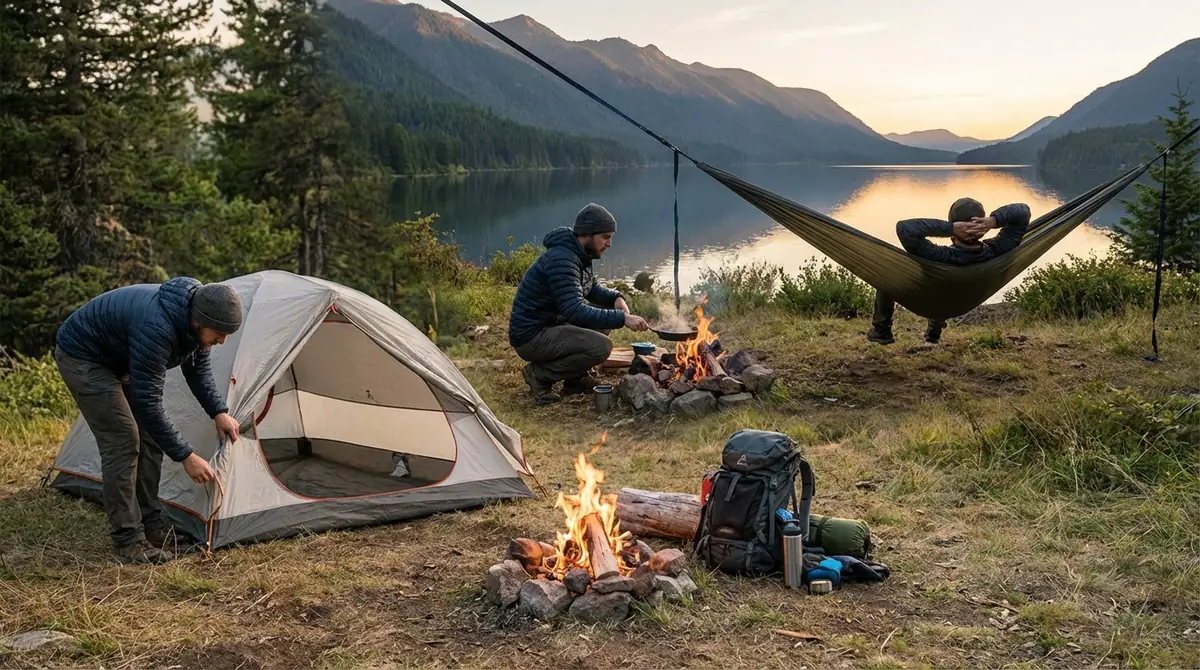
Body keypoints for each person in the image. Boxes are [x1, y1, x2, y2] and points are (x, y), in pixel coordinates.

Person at [53, 277, 244, 564]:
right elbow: (148, 403)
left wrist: (219, 411)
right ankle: (128, 540)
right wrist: (186, 456)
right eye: (219, 333)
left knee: (150, 436)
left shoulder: (194, 323)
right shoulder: (157, 327)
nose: (222, 340)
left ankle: (152, 525)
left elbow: (197, 372)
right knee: (123, 440)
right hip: (83, 357)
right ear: (199, 321)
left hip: (120, 357)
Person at [509, 203, 650, 404]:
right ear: (588, 233)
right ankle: (539, 375)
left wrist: (616, 298)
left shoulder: (580, 254)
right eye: (605, 237)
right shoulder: (562, 260)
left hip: (552, 325)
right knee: (601, 347)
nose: (609, 244)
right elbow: (574, 310)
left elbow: (591, 289)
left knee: (605, 316)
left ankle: (575, 379)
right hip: (532, 336)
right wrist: (623, 318)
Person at [867, 197, 1031, 345]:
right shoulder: (999, 250)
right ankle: (933, 334)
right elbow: (1022, 212)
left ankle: (881, 331)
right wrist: (993, 220)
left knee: (887, 273)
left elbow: (904, 228)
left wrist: (949, 229)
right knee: (945, 287)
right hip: (964, 301)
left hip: (932, 303)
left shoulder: (939, 256)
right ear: (982, 230)